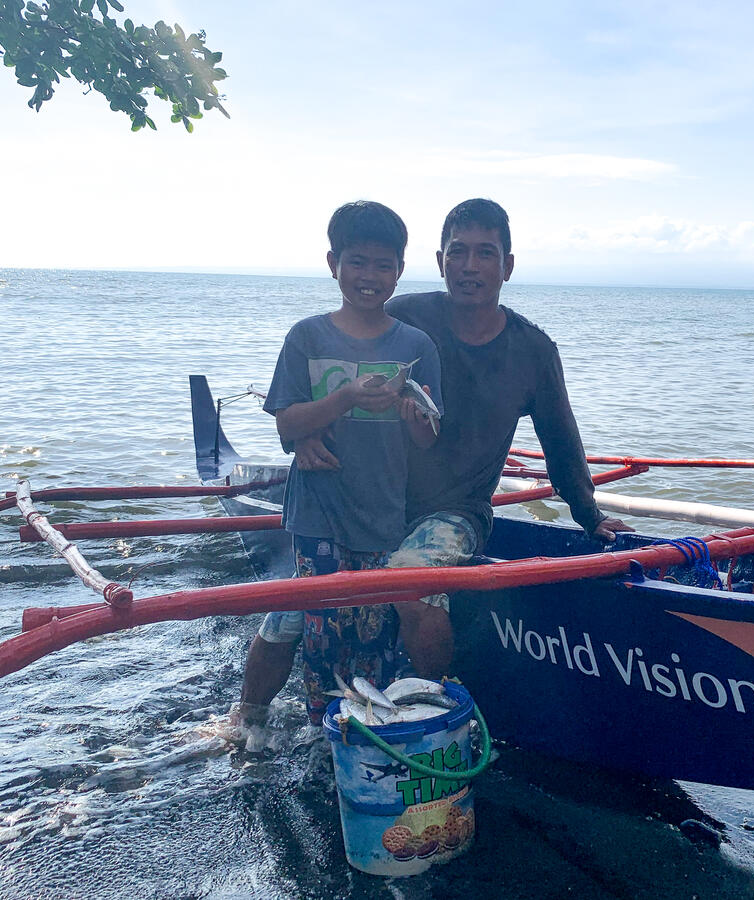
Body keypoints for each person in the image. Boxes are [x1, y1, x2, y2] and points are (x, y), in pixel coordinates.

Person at [294, 198, 631, 678]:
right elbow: (332, 365)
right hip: (376, 502)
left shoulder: (532, 350)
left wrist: (589, 514)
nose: (469, 267)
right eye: (457, 252)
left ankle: (436, 703)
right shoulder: (405, 318)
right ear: (439, 262)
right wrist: (304, 437)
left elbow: (561, 441)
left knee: (408, 582)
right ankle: (252, 718)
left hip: (457, 512)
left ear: (507, 266)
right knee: (291, 616)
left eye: (485, 253)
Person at [238, 200, 442, 726]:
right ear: (333, 263)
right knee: (316, 628)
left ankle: (362, 732)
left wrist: (413, 414)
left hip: (383, 515)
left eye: (383, 265)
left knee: (373, 633)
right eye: (357, 261)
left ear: (400, 270)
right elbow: (287, 427)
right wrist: (346, 397)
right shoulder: (307, 337)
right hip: (318, 514)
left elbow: (426, 440)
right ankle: (288, 727)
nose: (369, 276)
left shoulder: (416, 345)